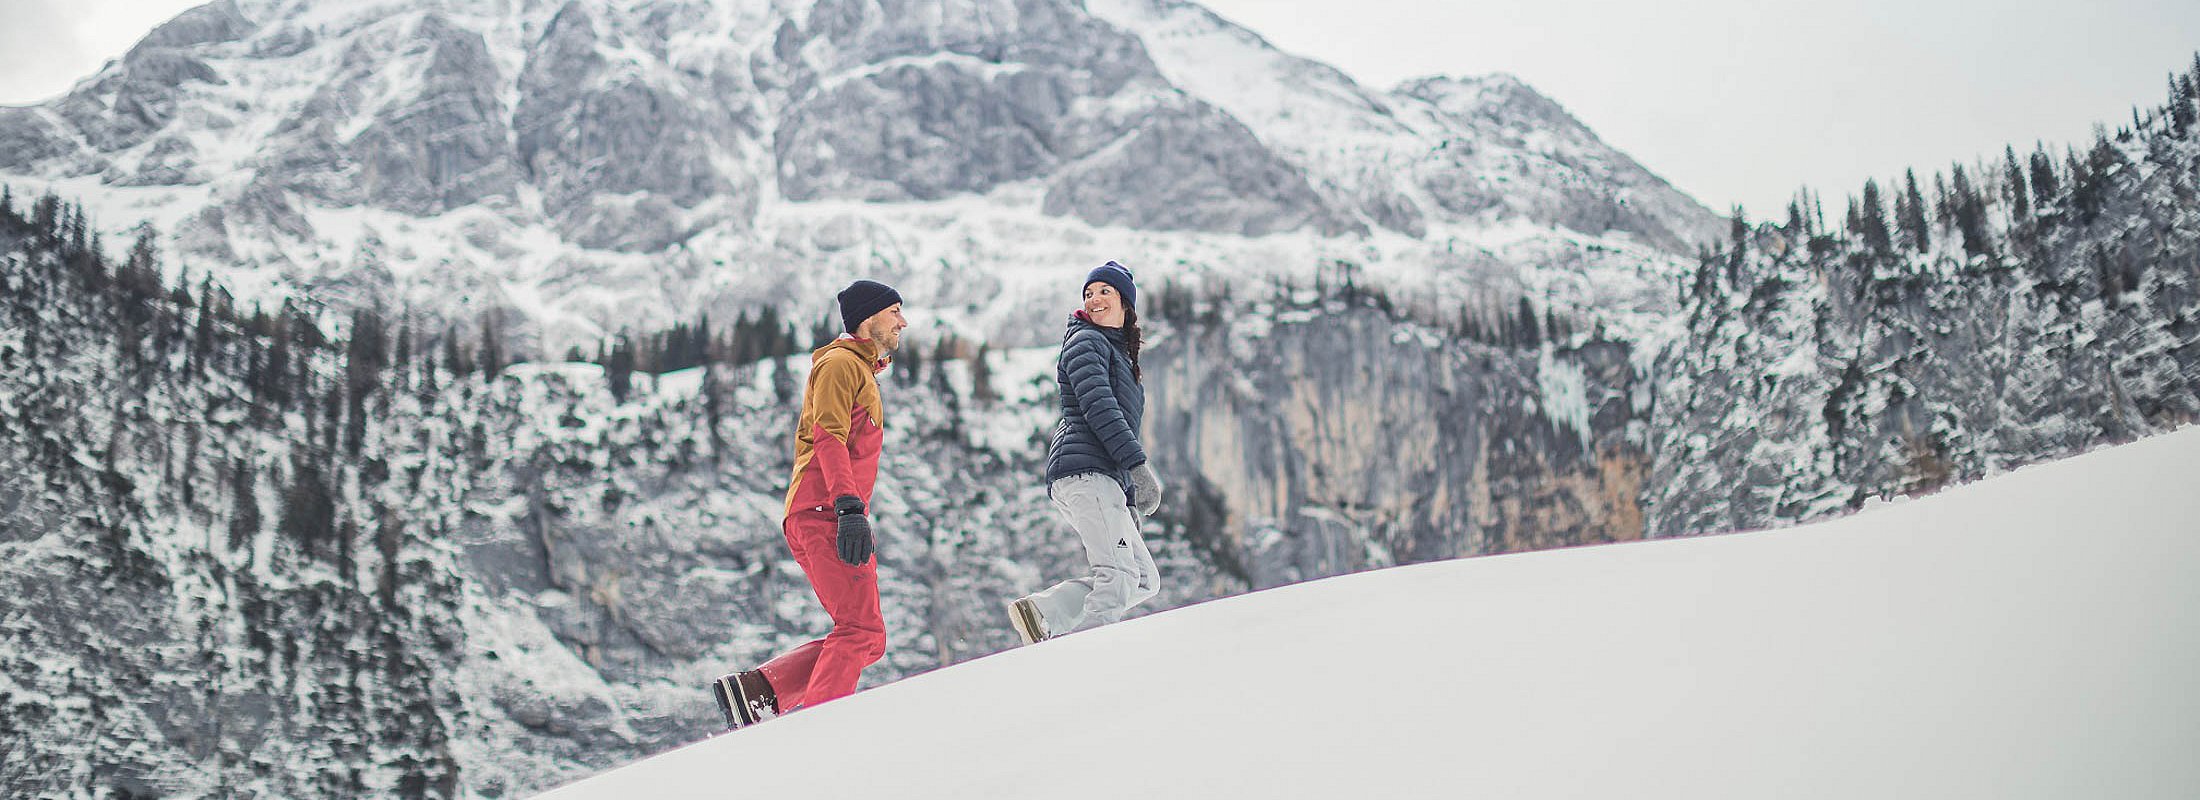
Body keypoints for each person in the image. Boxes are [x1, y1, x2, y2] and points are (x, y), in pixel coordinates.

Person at [713, 279, 907, 729]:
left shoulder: (859, 369)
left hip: (827, 511)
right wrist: (848, 508)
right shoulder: (841, 364)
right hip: (825, 511)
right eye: (894, 311)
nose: (903, 321)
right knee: (860, 631)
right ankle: (819, 732)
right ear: (869, 317)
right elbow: (829, 437)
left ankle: (758, 693)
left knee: (867, 637)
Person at [1007, 261, 1163, 644]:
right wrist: (1139, 468)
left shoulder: (1118, 353)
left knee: (1142, 578)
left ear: (1125, 303)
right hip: (1085, 472)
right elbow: (1100, 409)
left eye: (1104, 292)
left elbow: (1117, 422)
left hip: (1100, 475)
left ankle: (1043, 613)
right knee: (1118, 573)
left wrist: (1127, 498)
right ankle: (1094, 652)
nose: (1093, 299)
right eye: (1089, 293)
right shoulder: (1085, 342)